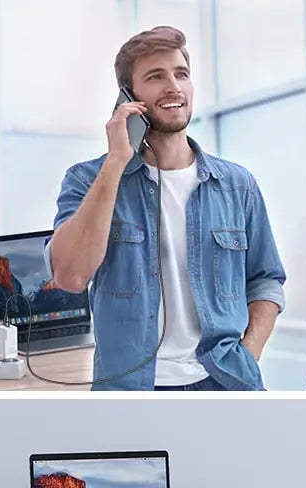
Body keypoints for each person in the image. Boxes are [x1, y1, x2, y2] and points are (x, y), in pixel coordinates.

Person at [44, 26, 286, 391]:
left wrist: (248, 353)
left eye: (181, 74)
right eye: (155, 77)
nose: (173, 86)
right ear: (128, 97)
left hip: (224, 381)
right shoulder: (87, 180)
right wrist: (115, 163)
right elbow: (71, 276)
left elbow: (266, 280)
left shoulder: (238, 186)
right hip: (131, 390)